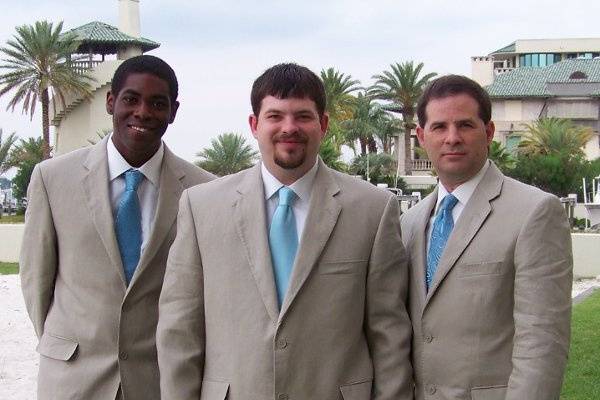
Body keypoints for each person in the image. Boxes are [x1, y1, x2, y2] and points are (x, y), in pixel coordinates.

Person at [156, 63, 413, 400]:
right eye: (275, 116)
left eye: (303, 116)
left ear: (323, 124)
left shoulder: (373, 209)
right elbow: (179, 331)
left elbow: (389, 335)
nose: (289, 128)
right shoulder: (201, 206)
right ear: (254, 124)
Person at [20, 54, 215, 400]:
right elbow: (37, 280)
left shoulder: (202, 191)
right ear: (111, 101)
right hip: (73, 380)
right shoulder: (52, 179)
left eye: (158, 103)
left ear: (173, 111)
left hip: (157, 381)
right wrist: (64, 346)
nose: (143, 112)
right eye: (131, 99)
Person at [401, 74, 572, 400]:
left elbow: (542, 342)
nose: (452, 138)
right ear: (421, 136)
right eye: (439, 127)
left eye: (465, 125)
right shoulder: (408, 223)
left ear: (489, 132)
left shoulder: (534, 212)